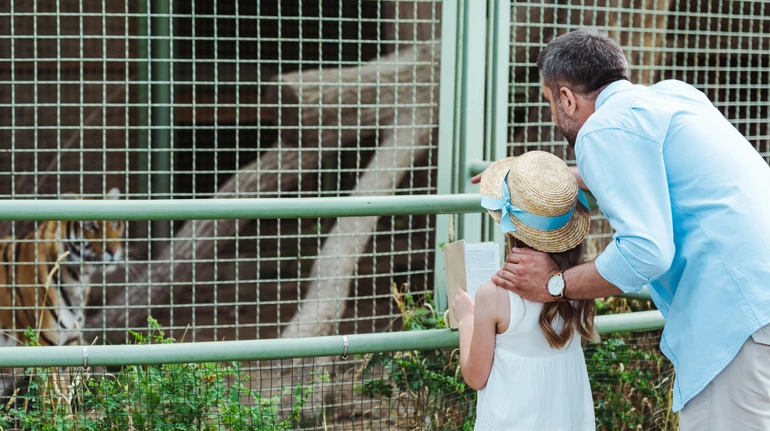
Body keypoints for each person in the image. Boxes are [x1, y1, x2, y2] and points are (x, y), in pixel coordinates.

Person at [472, 28, 770, 430]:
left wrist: (555, 284)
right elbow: (652, 172)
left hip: (737, 320)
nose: (552, 114)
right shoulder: (674, 96)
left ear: (566, 98)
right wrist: (566, 178)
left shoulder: (601, 128)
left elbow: (647, 251)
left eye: (549, 102)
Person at [453, 151, 597, 431]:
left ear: (510, 230)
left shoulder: (492, 296)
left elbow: (475, 376)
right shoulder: (580, 286)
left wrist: (466, 319)